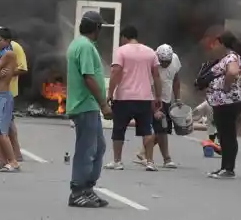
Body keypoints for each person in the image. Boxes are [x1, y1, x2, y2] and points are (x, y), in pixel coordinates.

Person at [66, 11, 112, 208]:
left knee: (98, 147)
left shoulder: (79, 44)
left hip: (87, 105)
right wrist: (103, 103)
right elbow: (88, 77)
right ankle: (77, 191)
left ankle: (87, 189)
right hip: (85, 104)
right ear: (97, 28)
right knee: (87, 149)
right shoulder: (84, 47)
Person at [105, 26, 162, 171]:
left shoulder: (121, 51)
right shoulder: (150, 52)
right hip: (144, 97)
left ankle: (117, 161)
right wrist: (158, 96)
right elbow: (156, 75)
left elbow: (116, 71)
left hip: (124, 97)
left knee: (119, 129)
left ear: (124, 37)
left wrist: (110, 93)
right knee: (147, 130)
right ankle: (150, 161)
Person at [202, 29, 241, 179]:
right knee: (226, 135)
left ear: (223, 43)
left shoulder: (231, 57)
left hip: (227, 101)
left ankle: (228, 168)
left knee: (227, 135)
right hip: (228, 101)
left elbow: (232, 72)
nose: (215, 47)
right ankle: (225, 167)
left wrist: (226, 87)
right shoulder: (235, 56)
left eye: (217, 44)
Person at [0, 26, 28, 163]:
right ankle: (2, 158)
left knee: (4, 128)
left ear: (7, 40)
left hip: (6, 92)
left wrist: (5, 72)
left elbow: (21, 68)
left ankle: (14, 158)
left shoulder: (10, 52)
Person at [135, 44, 180, 168]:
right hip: (152, 98)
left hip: (166, 99)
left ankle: (143, 153)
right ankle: (165, 158)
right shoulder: (151, 62)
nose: (165, 64)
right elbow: (148, 85)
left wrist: (178, 98)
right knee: (159, 128)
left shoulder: (175, 59)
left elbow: (176, 79)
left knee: (163, 129)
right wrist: (155, 108)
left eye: (168, 62)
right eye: (163, 62)